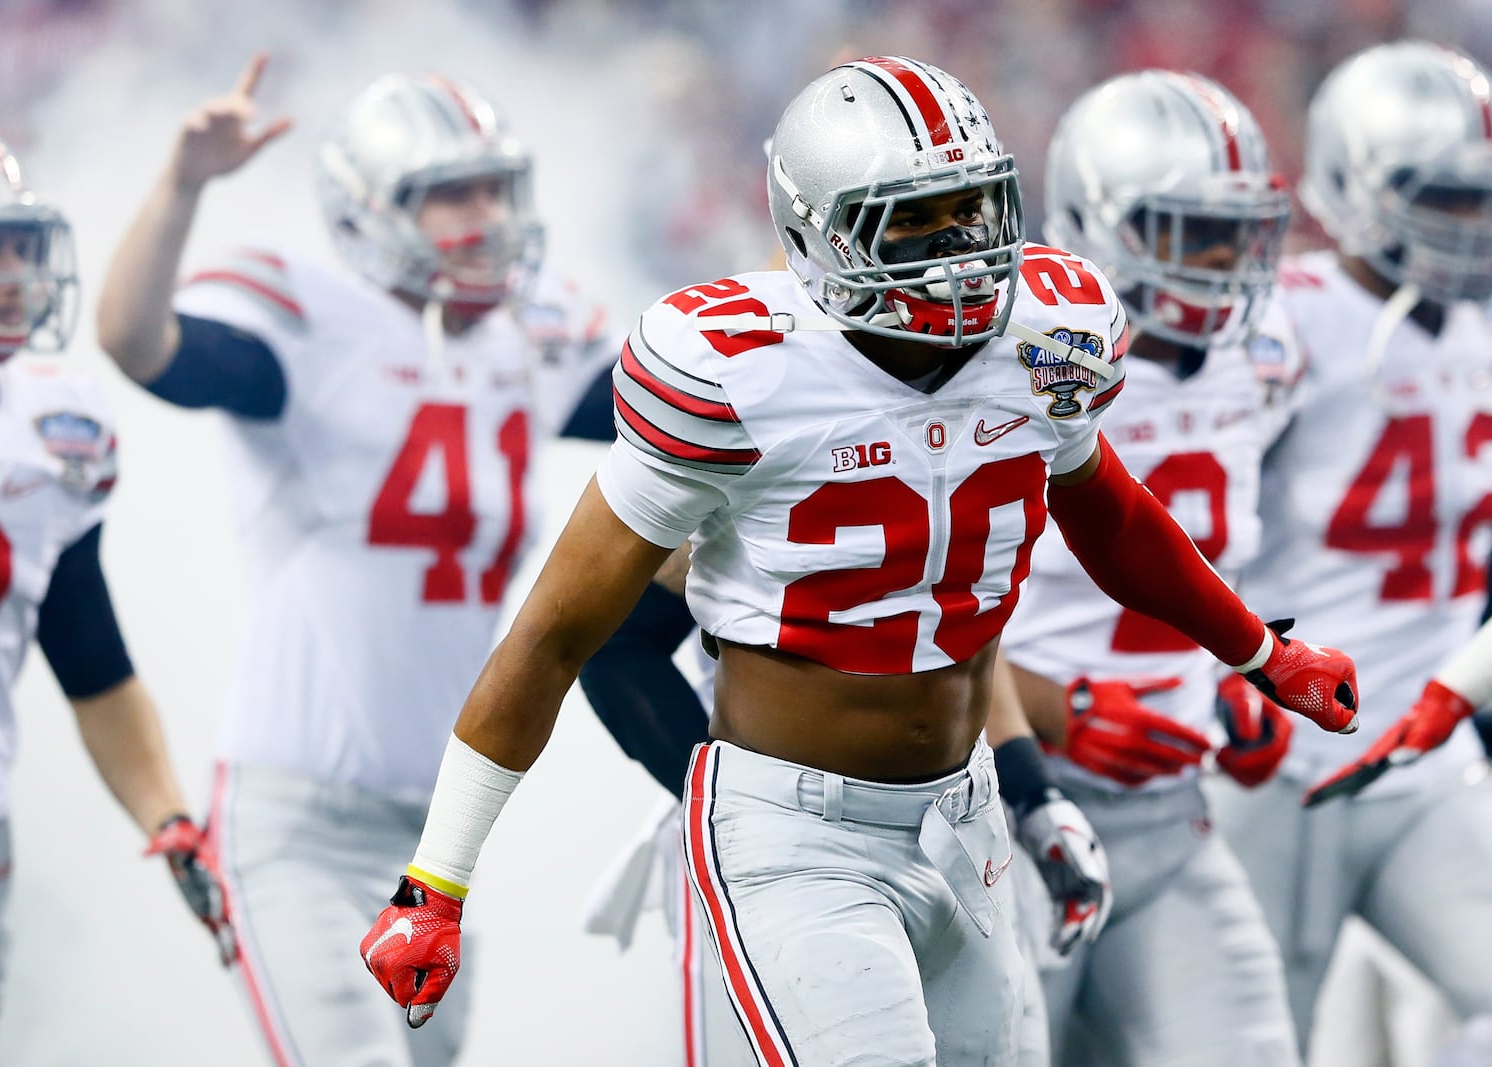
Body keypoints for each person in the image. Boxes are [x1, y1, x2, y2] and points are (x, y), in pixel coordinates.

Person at [359, 55, 1359, 1065]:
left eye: (976, 208)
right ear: (820, 233)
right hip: (794, 832)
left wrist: (1260, 654)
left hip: (966, 818)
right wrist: (434, 881)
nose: (964, 250)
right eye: (917, 222)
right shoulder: (740, 375)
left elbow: (1113, 516)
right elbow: (557, 632)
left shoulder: (1045, 340)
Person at [94, 54, 615, 1067]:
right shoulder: (310, 319)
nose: (484, 216)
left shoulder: (532, 334)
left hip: (436, 835)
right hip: (298, 814)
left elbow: (701, 408)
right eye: (448, 194)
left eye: (494, 187)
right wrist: (184, 185)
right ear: (370, 209)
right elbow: (134, 339)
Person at [0, 122, 223, 1067]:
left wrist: (166, 813)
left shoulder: (55, 430)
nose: (7, 275)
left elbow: (91, 659)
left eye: (17, 248)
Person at [1001, 70, 1304, 1066]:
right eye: (1187, 229)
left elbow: (1231, 550)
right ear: (1096, 219)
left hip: (1171, 814)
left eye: (1236, 231)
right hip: (1000, 808)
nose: (1223, 261)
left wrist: (1242, 669)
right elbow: (919, 604)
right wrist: (1054, 708)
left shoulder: (1267, 350)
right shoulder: (1019, 350)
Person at [1202, 40, 1492, 1057]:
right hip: (1276, 764)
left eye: (1478, 196)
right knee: (1260, 1040)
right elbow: (1179, 523)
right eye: (1441, 196)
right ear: (1349, 182)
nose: (1467, 222)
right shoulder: (1282, 320)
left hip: (1430, 759)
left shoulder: (1481, 326)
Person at [576, 547, 1110, 1066]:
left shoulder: (978, 458)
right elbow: (613, 642)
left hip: (954, 824)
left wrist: (1032, 791)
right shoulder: (753, 455)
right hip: (782, 842)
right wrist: (735, 802)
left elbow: (961, 637)